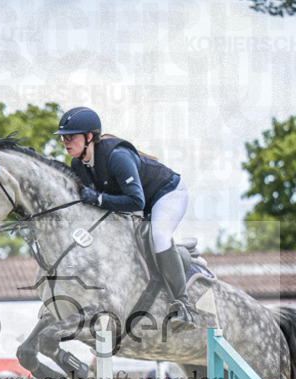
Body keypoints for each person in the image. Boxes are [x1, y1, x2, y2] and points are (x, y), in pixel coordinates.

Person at [55, 106, 211, 331]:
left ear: (89, 137)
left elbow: (135, 201)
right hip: (140, 203)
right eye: (63, 138)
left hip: (167, 193)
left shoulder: (117, 156)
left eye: (70, 136)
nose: (65, 142)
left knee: (158, 235)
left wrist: (98, 200)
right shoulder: (78, 164)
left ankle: (184, 306)